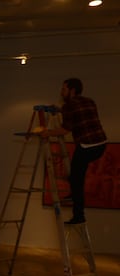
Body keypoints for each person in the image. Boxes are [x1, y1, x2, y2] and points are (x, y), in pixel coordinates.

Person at [42, 78, 107, 224]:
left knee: (76, 179)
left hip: (87, 146)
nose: (61, 92)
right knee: (77, 175)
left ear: (72, 90)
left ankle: (79, 215)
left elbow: (65, 130)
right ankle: (74, 194)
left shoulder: (69, 106)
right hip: (101, 144)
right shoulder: (89, 101)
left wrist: (47, 133)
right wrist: (61, 110)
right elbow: (77, 113)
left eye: (64, 89)